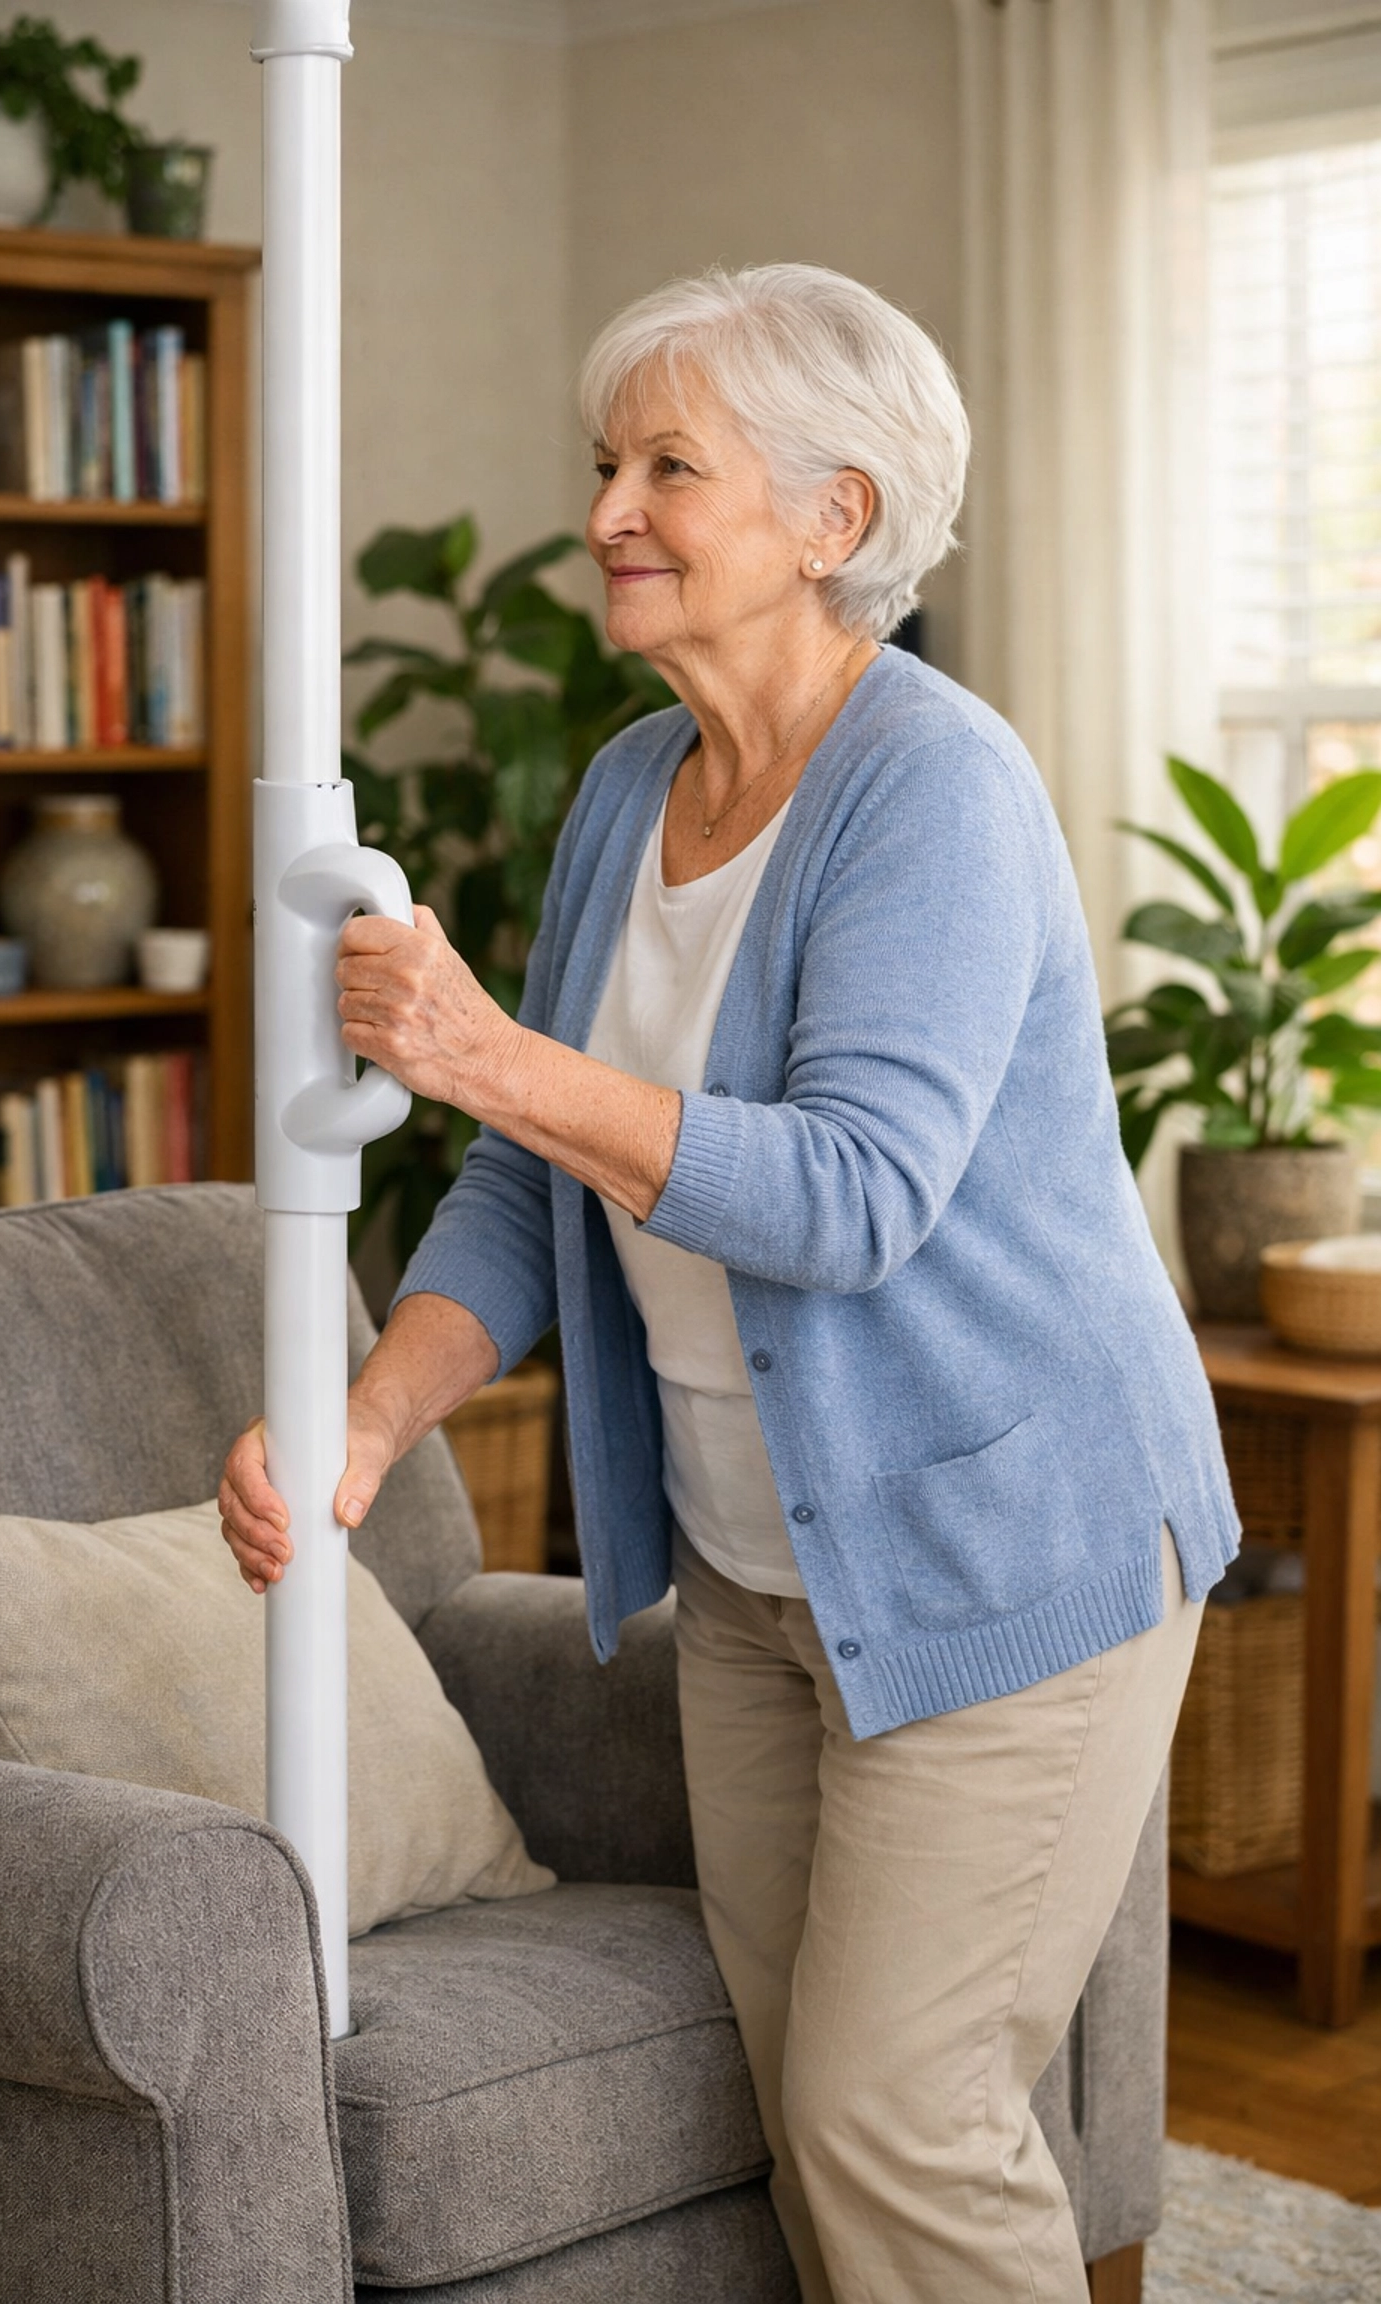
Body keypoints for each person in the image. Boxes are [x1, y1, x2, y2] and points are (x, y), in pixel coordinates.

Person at [219, 262, 1238, 2304]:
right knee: (819, 2110)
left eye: (669, 466)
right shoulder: (627, 788)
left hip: (1004, 1556)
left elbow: (856, 1194)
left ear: (833, 518)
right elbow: (535, 1177)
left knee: (896, 2124)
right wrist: (371, 1419)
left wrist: (480, 1043)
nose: (607, 509)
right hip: (757, 1586)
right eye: (608, 461)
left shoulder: (934, 787)